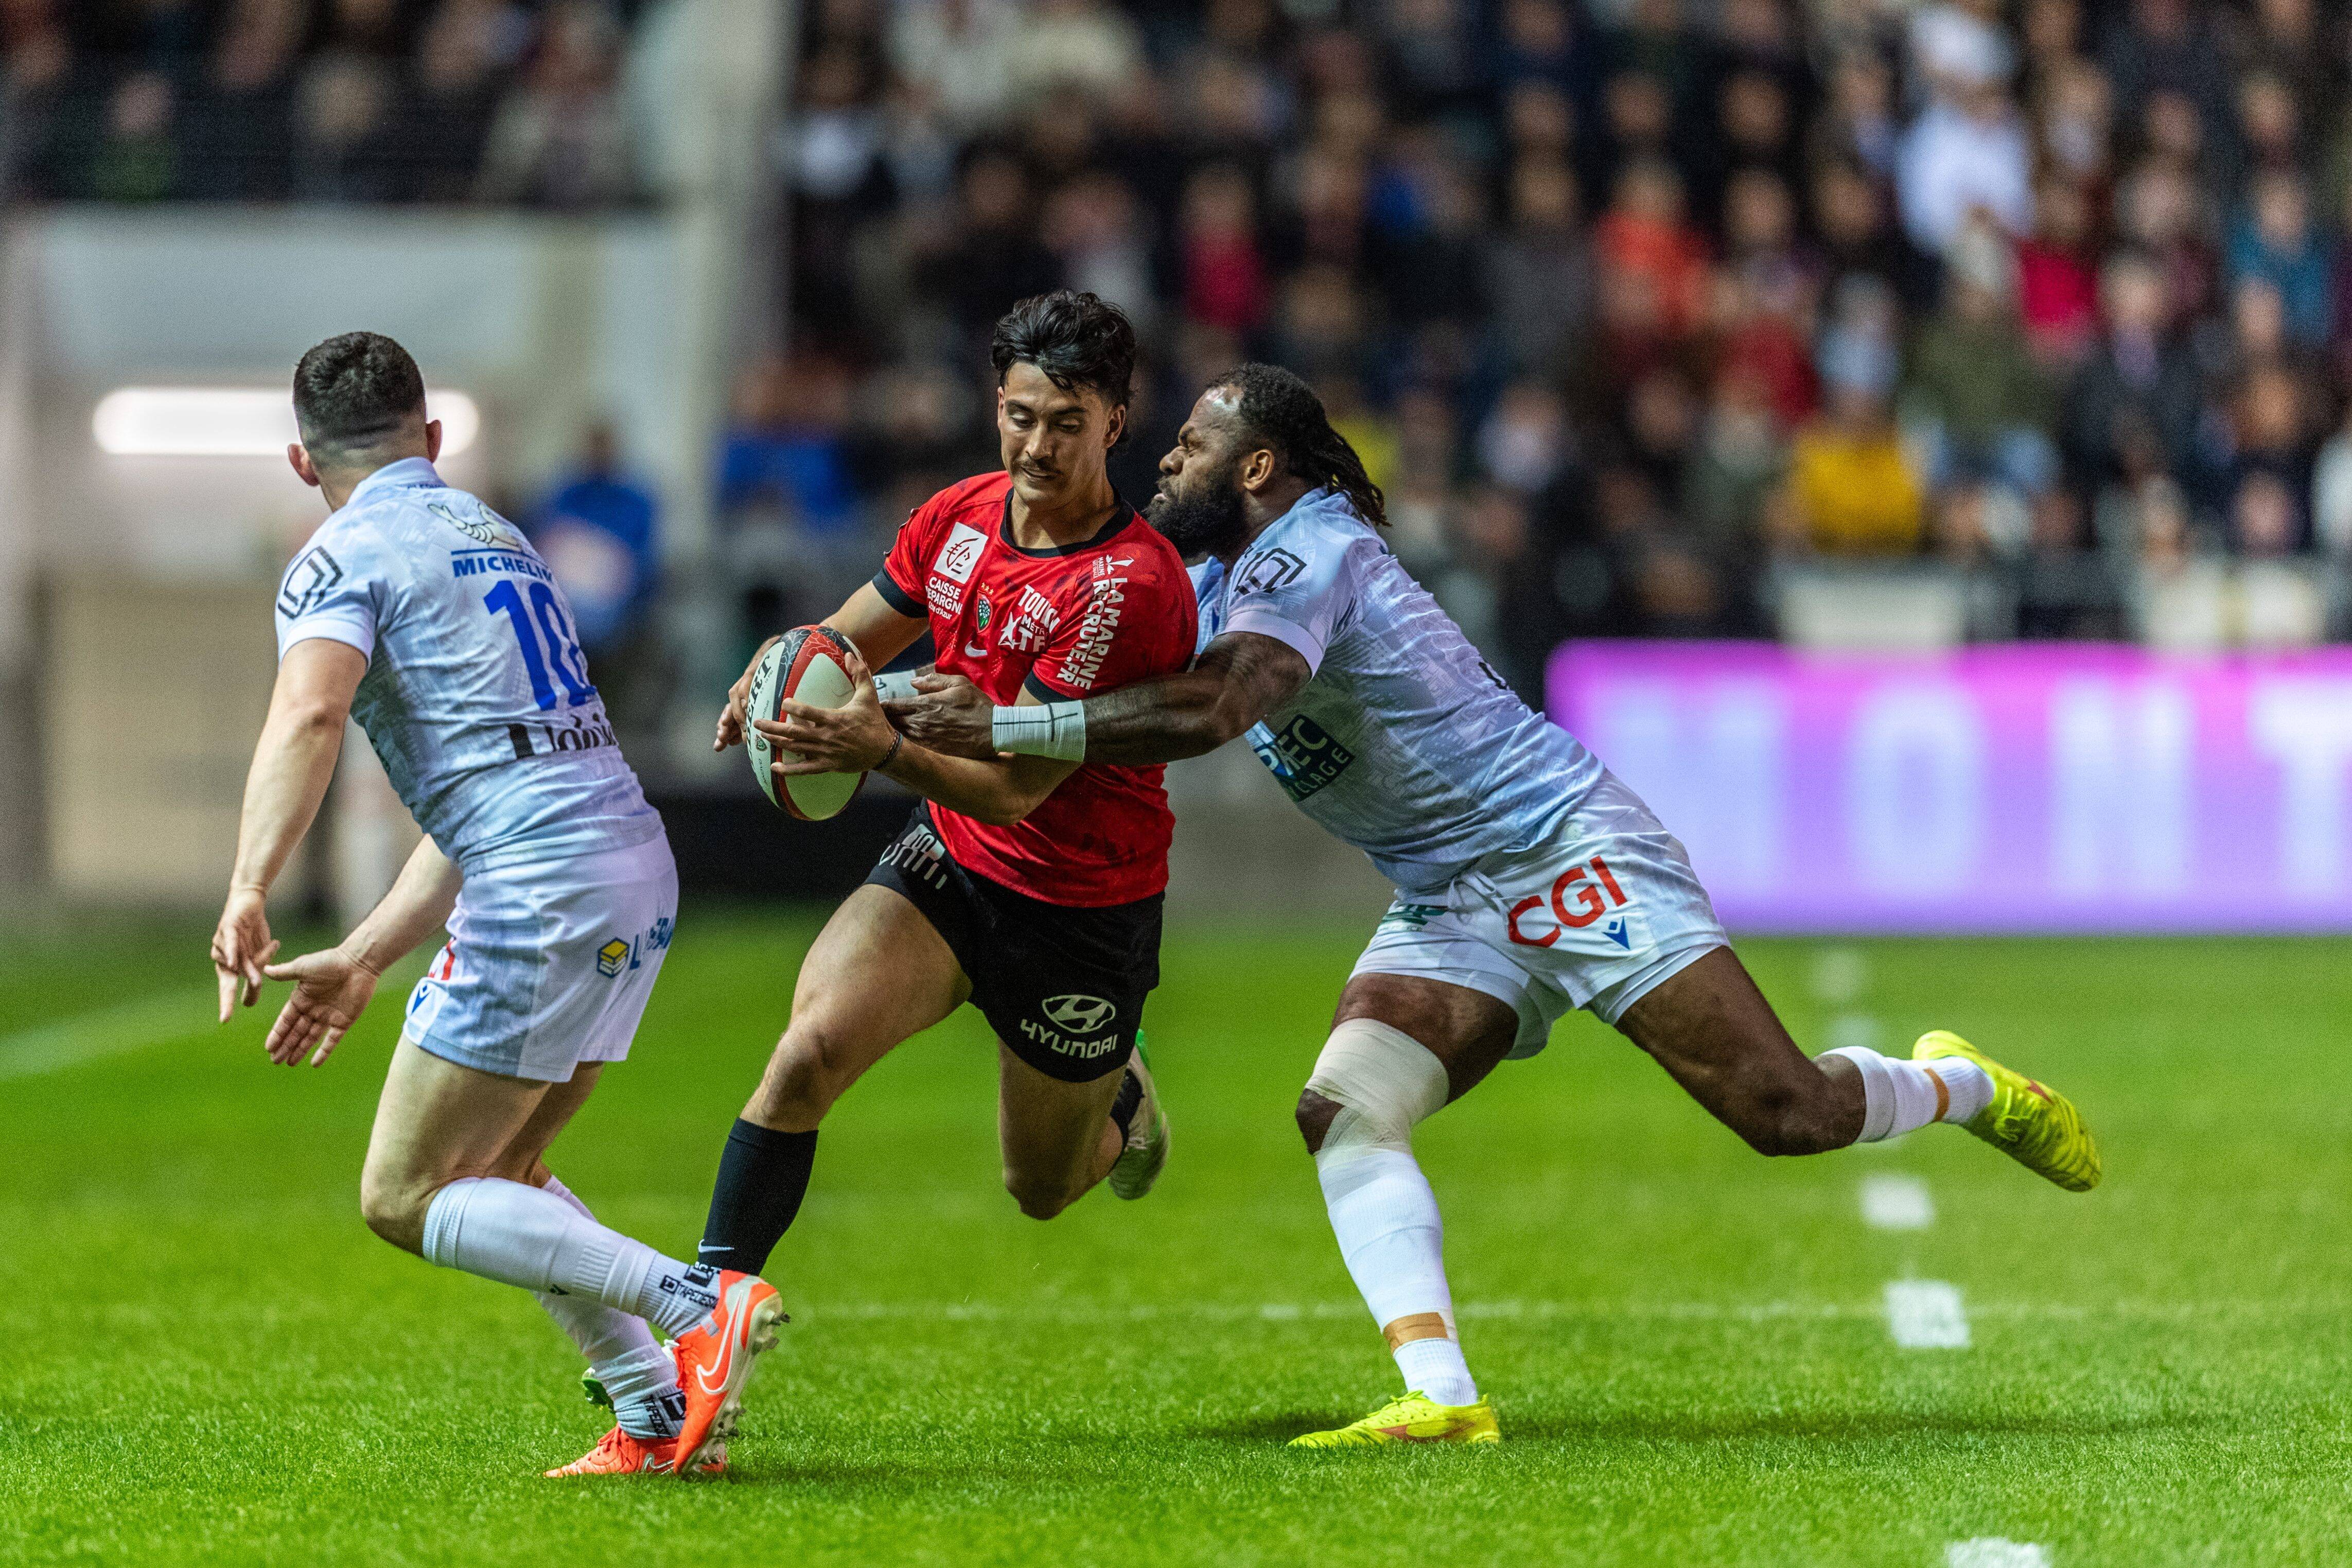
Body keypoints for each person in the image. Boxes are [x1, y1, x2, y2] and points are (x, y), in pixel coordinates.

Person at [884, 362, 2102, 1447]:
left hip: (1560, 847)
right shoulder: (1198, 577)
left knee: (1784, 1112)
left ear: (1255, 465)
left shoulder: (1309, 548)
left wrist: (1002, 722)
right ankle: (1441, 1394)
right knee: (1345, 1112)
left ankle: (1964, 1086)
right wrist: (890, 710)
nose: (1165, 461)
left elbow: (1217, 707)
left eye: (1190, 447)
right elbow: (1078, 669)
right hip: (1445, 891)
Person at [209, 332, 762, 1479]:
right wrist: (364, 953)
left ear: (304, 466)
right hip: (626, 862)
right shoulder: (501, 538)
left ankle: (696, 1305)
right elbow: (494, 794)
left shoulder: (337, 556)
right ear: (436, 438)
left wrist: (250, 885)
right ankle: (653, 1417)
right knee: (499, 1171)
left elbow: (311, 717)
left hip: (542, 882)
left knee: (404, 1195)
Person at [677, 291, 1197, 1468]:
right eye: (1018, 415)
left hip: (1079, 903)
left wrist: (883, 755)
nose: (1034, 447)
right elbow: (848, 637)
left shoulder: (1131, 586)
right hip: (950, 863)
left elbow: (1018, 790)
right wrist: (774, 680)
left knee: (1042, 1190)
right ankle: (701, 1340)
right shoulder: (957, 517)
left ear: (1118, 419)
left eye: (1066, 421)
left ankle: (1120, 1099)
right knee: (805, 1052)